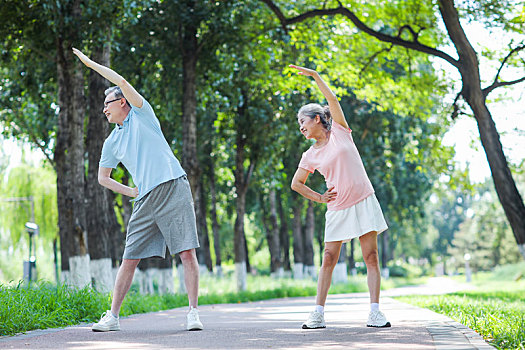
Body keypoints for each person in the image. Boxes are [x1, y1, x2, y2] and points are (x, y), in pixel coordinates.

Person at [72, 48, 203, 332]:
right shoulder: (111, 142)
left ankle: (193, 312)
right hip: (144, 199)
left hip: (173, 187)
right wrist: (130, 192)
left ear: (123, 102)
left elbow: (120, 79)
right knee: (129, 258)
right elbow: (102, 178)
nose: (104, 109)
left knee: (187, 253)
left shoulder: (143, 115)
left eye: (107, 103)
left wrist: (90, 64)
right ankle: (113, 317)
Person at [289, 64, 390, 329]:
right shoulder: (310, 154)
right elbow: (296, 184)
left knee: (371, 257)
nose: (300, 127)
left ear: (317, 119)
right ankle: (318, 314)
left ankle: (375, 312)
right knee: (329, 259)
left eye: (303, 121)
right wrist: (320, 198)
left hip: (364, 200)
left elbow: (332, 100)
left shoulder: (341, 132)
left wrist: (315, 76)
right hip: (337, 207)